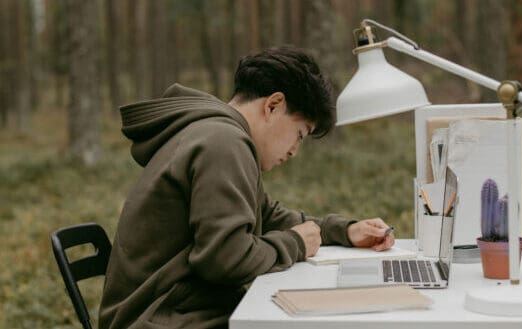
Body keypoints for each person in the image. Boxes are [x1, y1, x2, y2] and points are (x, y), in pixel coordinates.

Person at [99, 46, 395, 329]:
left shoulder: (218, 134)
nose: (294, 151)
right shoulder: (223, 142)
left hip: (174, 313)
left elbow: (265, 215)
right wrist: (295, 244)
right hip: (163, 320)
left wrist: (342, 231)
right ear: (274, 105)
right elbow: (225, 259)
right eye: (299, 134)